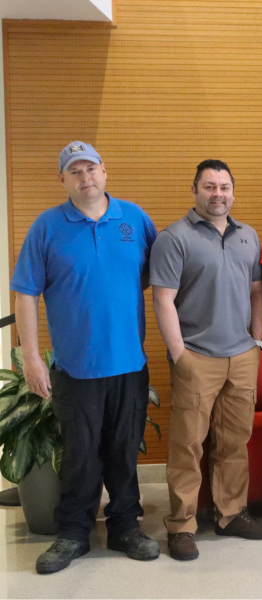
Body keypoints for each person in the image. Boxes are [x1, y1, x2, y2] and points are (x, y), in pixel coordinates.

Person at [11, 141, 160, 574]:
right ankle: (74, 532)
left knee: (124, 451)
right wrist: (32, 358)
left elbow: (153, 275)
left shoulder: (135, 219)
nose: (85, 177)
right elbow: (25, 293)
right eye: (74, 171)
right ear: (62, 179)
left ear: (104, 171)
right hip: (75, 368)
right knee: (79, 455)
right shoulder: (47, 226)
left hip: (129, 364)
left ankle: (125, 527)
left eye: (90, 168)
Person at [151, 159, 262, 560]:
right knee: (187, 445)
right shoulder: (174, 238)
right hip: (196, 358)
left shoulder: (248, 236)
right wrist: (180, 355)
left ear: (232, 192)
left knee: (235, 442)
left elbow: (258, 292)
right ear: (194, 191)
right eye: (209, 187)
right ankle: (182, 525)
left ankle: (231, 514)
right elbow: (163, 300)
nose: (217, 194)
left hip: (242, 356)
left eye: (224, 187)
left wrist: (256, 341)